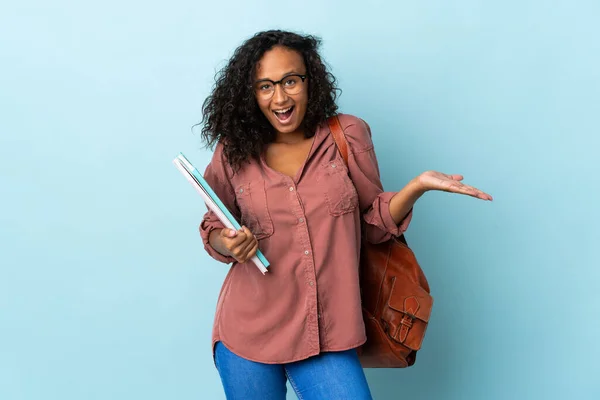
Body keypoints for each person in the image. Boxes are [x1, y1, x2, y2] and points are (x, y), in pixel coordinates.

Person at [198, 29, 492, 400]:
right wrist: (227, 241)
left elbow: (373, 222)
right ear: (250, 93)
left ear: (310, 80)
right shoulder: (233, 152)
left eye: (290, 81)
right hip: (247, 332)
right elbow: (212, 226)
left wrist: (416, 187)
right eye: (265, 86)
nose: (280, 97)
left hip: (326, 332)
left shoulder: (347, 134)